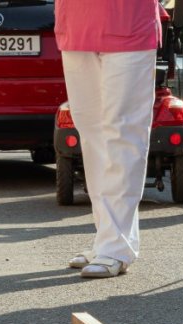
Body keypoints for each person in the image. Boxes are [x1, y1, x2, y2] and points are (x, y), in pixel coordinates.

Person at [55, 0, 161, 278]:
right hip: (76, 27)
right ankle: (107, 239)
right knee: (92, 136)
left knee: (123, 134)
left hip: (129, 25)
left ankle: (115, 247)